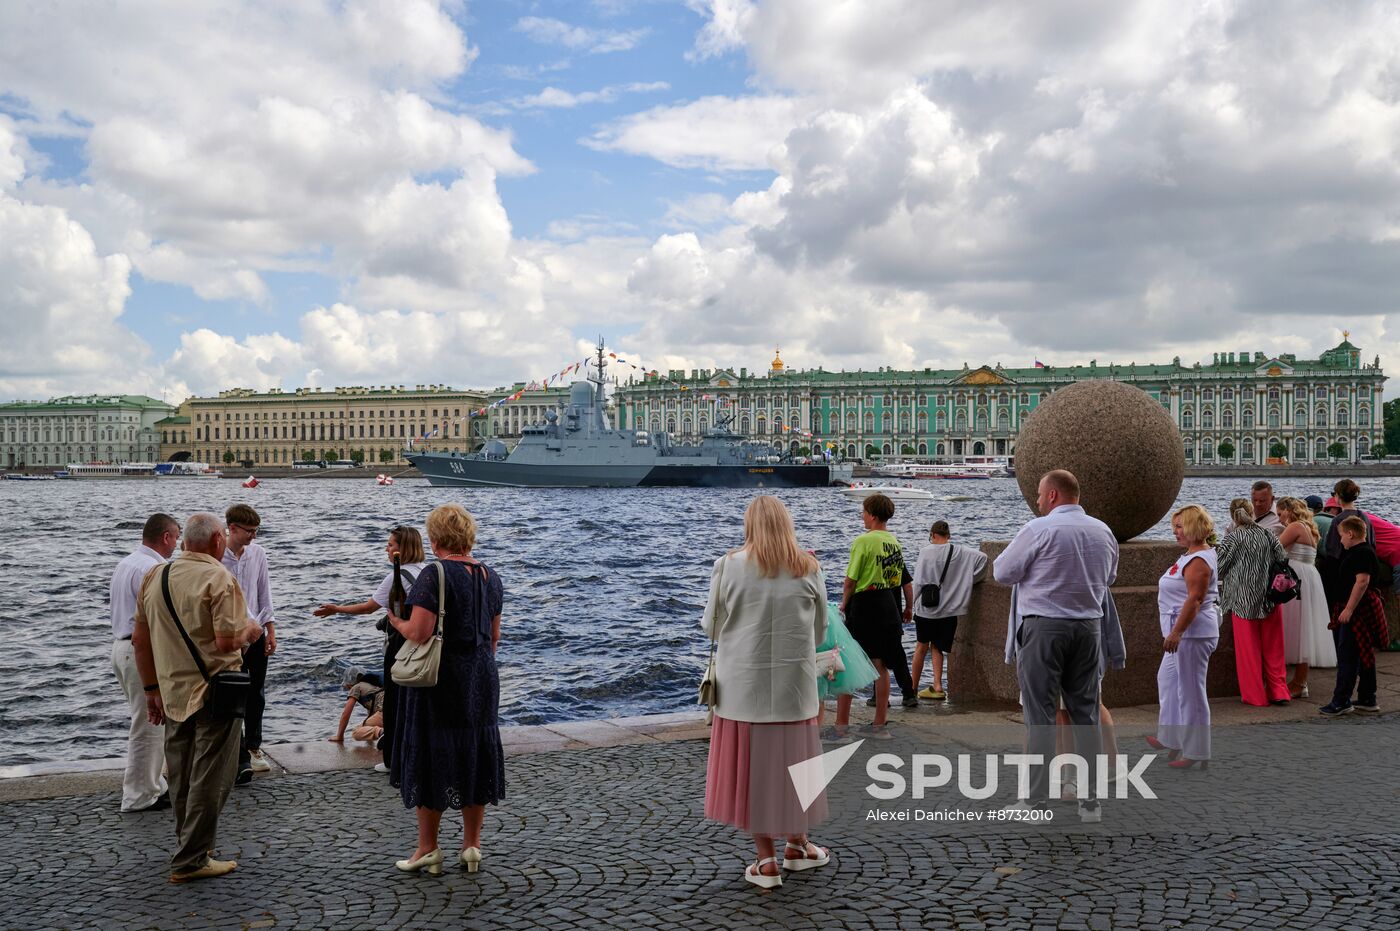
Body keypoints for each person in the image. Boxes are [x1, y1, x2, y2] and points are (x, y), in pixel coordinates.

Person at [703, 496, 831, 889]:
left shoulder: (728, 566)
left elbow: (711, 627)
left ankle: (766, 861)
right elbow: (820, 632)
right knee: (795, 769)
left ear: (749, 526)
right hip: (794, 688)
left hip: (743, 691)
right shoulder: (809, 567)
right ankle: (798, 844)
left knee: (753, 774)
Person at [131, 512, 263, 883]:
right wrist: (251, 630)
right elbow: (226, 640)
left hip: (172, 691)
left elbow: (140, 639)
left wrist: (150, 689)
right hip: (214, 692)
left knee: (181, 774)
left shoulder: (156, 576)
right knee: (211, 776)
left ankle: (189, 844)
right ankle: (191, 858)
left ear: (185, 540)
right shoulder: (218, 577)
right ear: (218, 540)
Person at [386, 503, 504, 876]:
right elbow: (494, 637)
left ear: (435, 539)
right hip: (482, 676)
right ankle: (472, 846)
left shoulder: (433, 574)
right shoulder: (491, 576)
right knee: (473, 753)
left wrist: (396, 622)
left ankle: (428, 848)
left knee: (432, 753)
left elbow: (420, 632)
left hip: (439, 678)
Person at [994, 470, 1118, 821]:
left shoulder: (1039, 529)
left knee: (1041, 716)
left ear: (1052, 495)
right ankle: (1090, 802)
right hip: (1089, 629)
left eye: (1039, 494)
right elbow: (1110, 578)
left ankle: (1035, 800)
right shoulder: (1103, 531)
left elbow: (1002, 572)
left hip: (1044, 629)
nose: (1036, 500)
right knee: (1086, 714)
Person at [313, 525, 428, 771]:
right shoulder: (427, 572)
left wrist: (336, 609)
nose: (386, 549)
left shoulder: (397, 577)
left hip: (400, 644)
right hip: (423, 641)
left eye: (390, 545)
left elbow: (368, 608)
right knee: (417, 700)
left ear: (402, 549)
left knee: (394, 700)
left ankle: (393, 760)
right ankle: (418, 753)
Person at [110, 513, 180, 812]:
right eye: (176, 538)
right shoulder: (154, 569)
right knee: (149, 726)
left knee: (149, 722)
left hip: (121, 648)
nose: (176, 544)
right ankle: (138, 795)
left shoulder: (126, 563)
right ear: (166, 537)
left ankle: (154, 785)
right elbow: (159, 619)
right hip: (141, 651)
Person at [834, 493, 914, 741]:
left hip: (865, 605)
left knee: (848, 662)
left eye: (864, 512)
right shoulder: (894, 542)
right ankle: (880, 724)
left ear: (873, 515)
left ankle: (841, 727)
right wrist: (907, 607)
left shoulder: (863, 541)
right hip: (888, 603)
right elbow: (900, 579)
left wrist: (844, 604)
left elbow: (851, 580)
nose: (862, 516)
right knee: (881, 665)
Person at [1147, 505, 1220, 770]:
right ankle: (1172, 737)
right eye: (1174, 527)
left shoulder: (1198, 560)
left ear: (1193, 527)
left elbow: (1195, 599)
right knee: (1167, 680)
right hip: (1184, 632)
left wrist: (1177, 632)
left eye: (1179, 526)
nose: (1175, 532)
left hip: (1193, 633)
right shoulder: (1191, 555)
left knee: (1191, 692)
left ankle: (1197, 751)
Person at [1217, 498, 1289, 706]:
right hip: (1270, 597)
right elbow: (1282, 559)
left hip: (1243, 599)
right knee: (1274, 648)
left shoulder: (1233, 538)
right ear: (1252, 513)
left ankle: (1254, 695)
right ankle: (1279, 691)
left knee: (1248, 651)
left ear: (1233, 516)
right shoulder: (1268, 534)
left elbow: (1219, 567)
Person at [222, 504, 276, 784]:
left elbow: (264, 593)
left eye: (256, 531)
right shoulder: (217, 555)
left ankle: (254, 746)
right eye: (249, 531)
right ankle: (237, 750)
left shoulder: (258, 553)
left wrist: (271, 630)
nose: (253, 536)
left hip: (256, 632)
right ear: (231, 528)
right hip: (229, 635)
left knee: (256, 691)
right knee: (232, 693)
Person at [910, 520, 988, 700]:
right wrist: (970, 580)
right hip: (949, 611)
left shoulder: (926, 552)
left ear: (932, 534)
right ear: (948, 536)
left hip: (926, 610)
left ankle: (912, 688)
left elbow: (919, 581)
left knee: (921, 647)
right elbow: (983, 558)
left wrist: (909, 604)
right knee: (938, 647)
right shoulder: (960, 551)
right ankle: (938, 686)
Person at [1320, 516, 1387, 716]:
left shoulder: (1362, 553)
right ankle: (1367, 697)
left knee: (1348, 655)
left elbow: (1362, 581)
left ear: (1350, 534)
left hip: (1357, 609)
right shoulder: (1362, 551)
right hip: (1357, 607)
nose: (1340, 540)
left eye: (1341, 535)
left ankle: (1341, 700)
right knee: (1362, 653)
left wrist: (1348, 609)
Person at [1276, 497, 1336, 698]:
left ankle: (1299, 683)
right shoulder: (1309, 527)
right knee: (1304, 630)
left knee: (1296, 628)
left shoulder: (1294, 526)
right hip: (1308, 576)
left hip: (1296, 578)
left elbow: (1274, 549)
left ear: (1289, 510)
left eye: (1280, 513)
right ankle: (1300, 681)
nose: (1279, 518)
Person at [330, 667, 385, 743]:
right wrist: (370, 742)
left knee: (356, 732)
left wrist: (339, 736)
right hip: (396, 710)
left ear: (348, 684)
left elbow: (346, 714)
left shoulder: (356, 687)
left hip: (383, 713)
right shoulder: (374, 686)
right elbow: (371, 716)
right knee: (367, 726)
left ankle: (383, 733)